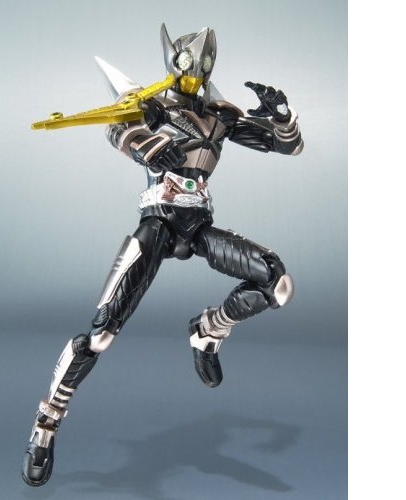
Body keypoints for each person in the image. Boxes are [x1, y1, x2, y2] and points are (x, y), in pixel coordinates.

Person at [22, 23, 303, 487]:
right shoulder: (154, 105)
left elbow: (287, 146)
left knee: (277, 283)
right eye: (190, 60)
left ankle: (209, 330)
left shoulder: (221, 115)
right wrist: (150, 148)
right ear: (174, 59)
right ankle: (45, 425)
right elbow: (119, 129)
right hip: (158, 223)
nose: (197, 69)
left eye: (205, 62)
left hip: (199, 226)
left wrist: (283, 115)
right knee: (101, 334)